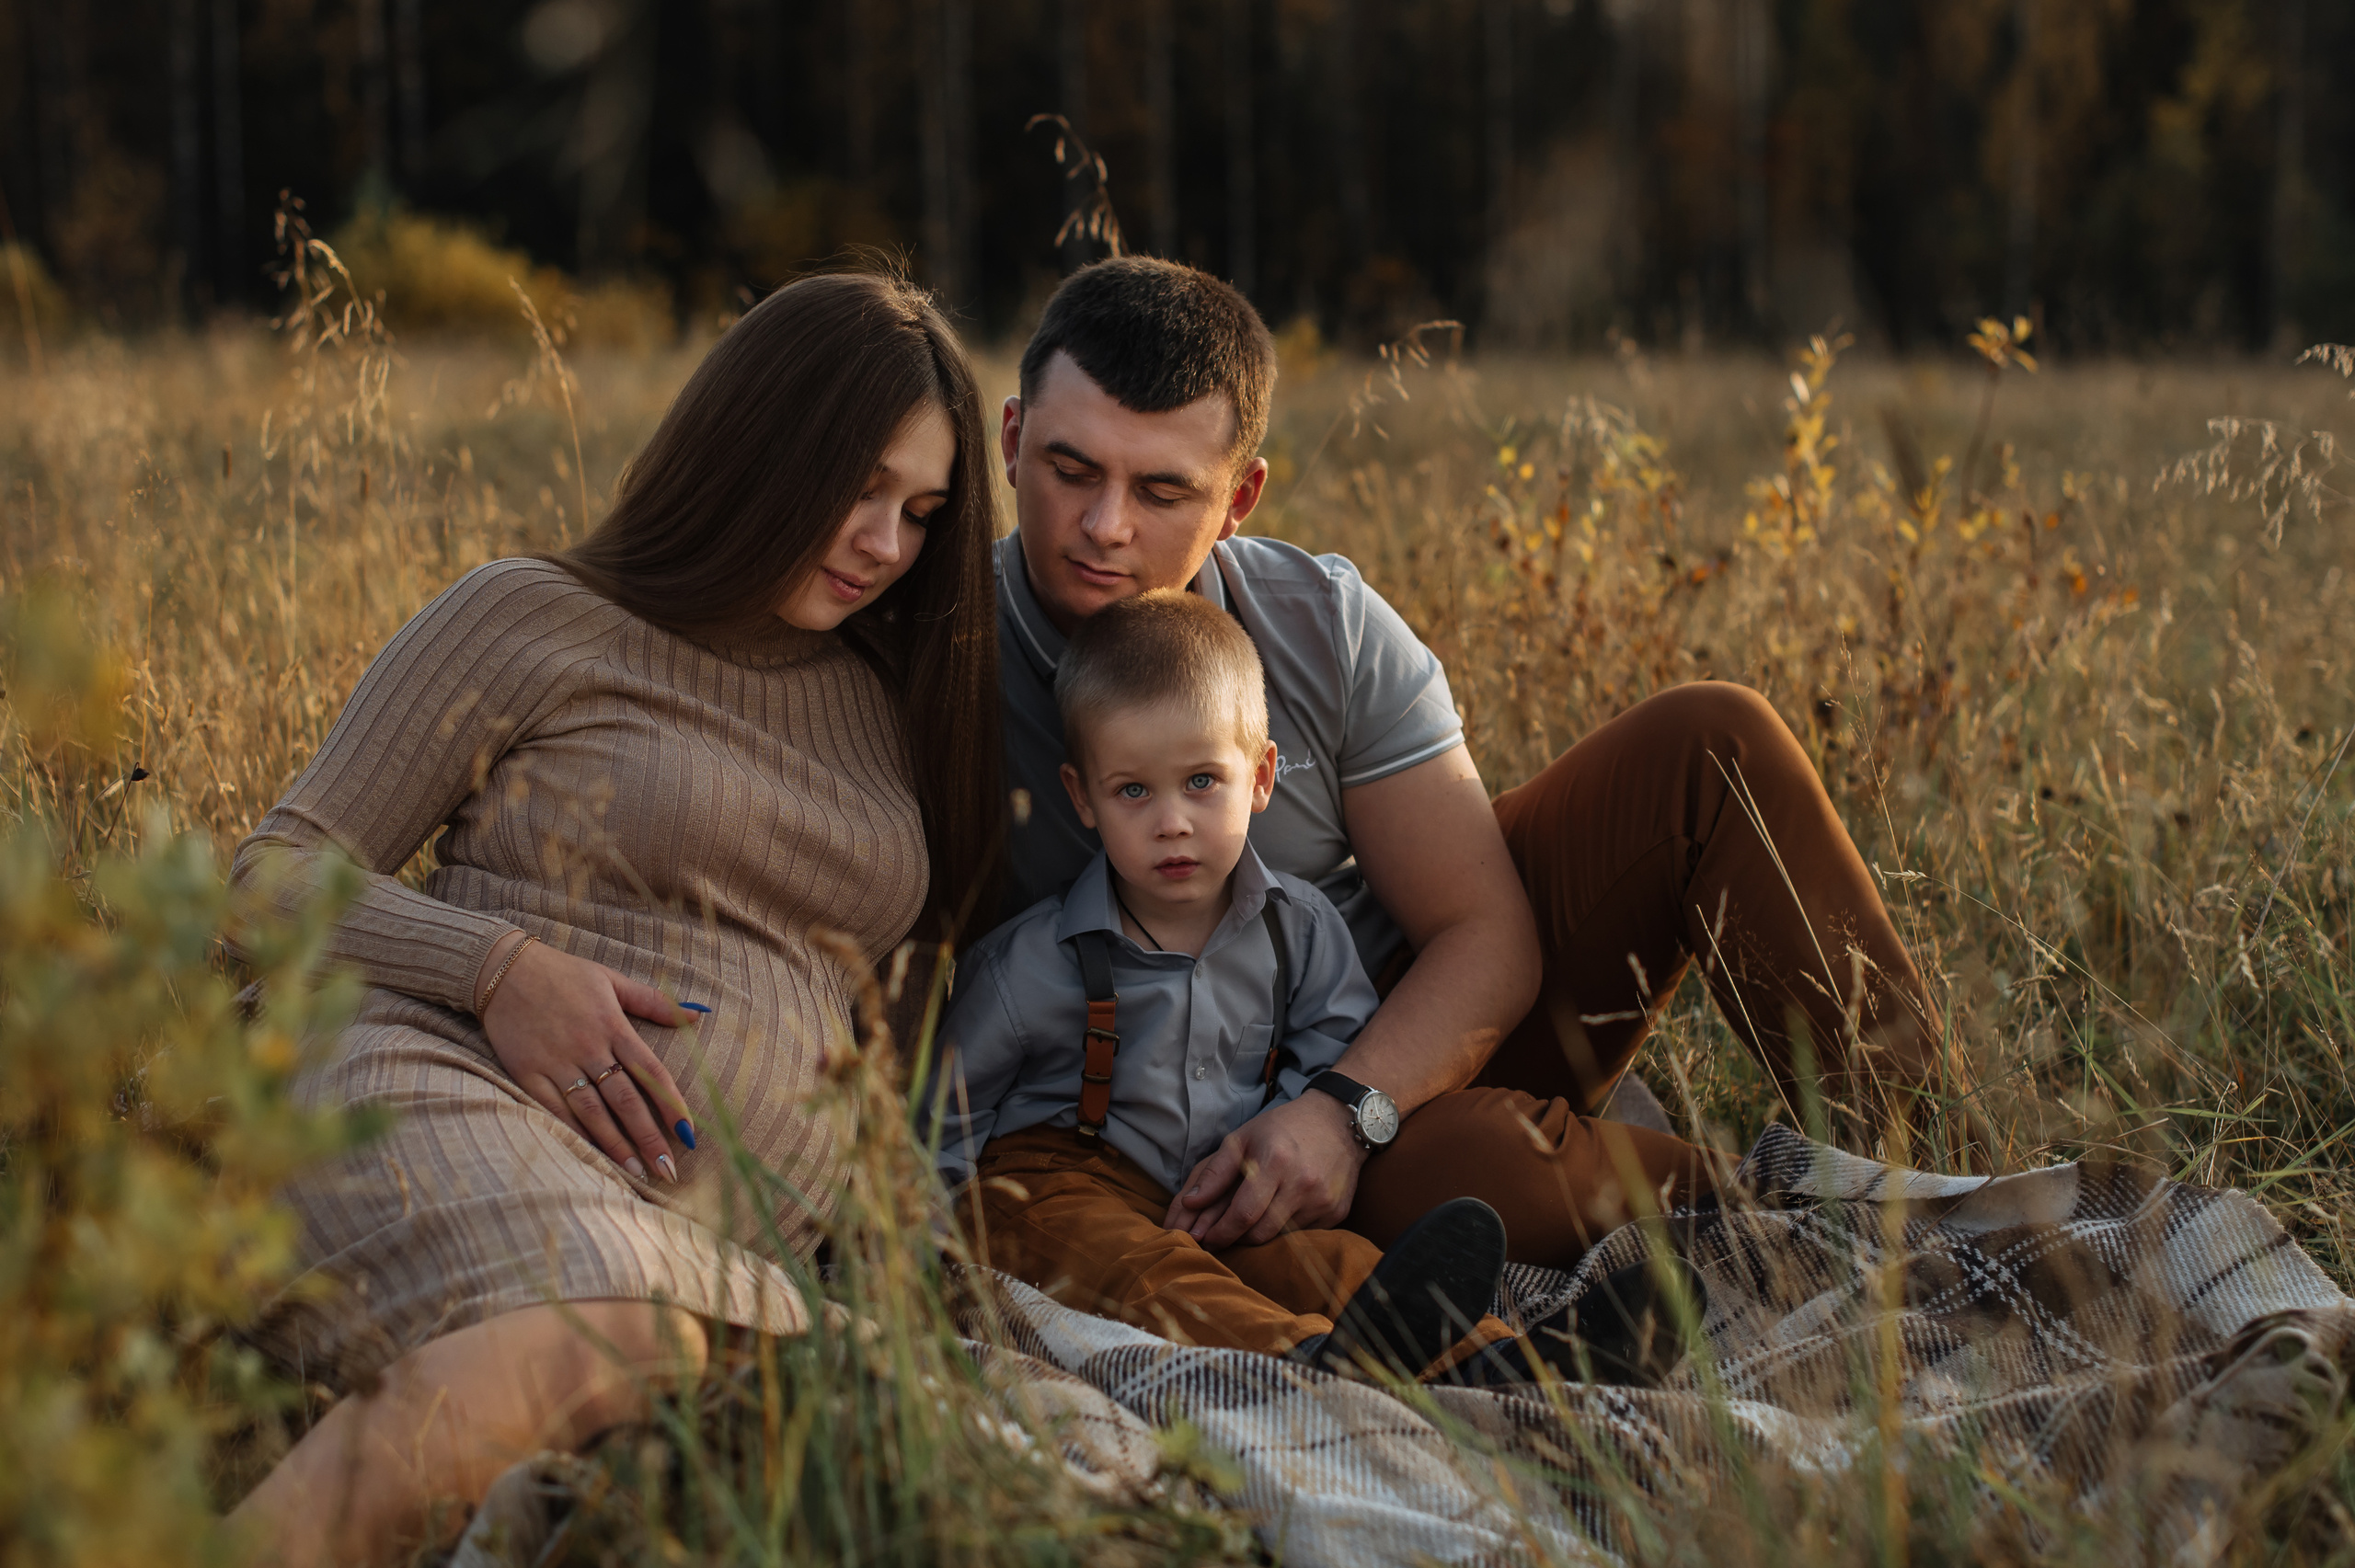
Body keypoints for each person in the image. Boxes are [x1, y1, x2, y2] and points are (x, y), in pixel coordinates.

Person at [225, 271, 1003, 1567]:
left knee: (750, 1396)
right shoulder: (534, 616)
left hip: (702, 1242)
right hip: (430, 1085)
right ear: (757, 447)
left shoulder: (885, 698)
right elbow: (267, 881)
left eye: (922, 514)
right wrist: (499, 970)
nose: (885, 544)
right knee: (628, 1333)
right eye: (860, 488)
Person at [991, 257, 1973, 1272]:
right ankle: (1830, 1227)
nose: (1106, 527)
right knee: (1458, 1177)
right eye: (1072, 471)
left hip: (1390, 1052)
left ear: (1238, 498)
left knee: (1710, 742)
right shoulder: (935, 665)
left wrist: (1342, 1112)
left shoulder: (1321, 624)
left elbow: (1486, 936)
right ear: (1012, 441)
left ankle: (1976, 1192)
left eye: (1161, 490)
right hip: (1182, 1131)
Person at [933, 589, 1507, 1379]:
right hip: (1062, 1179)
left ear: (1262, 776)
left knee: (1329, 1261)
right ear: (1082, 797)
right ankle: (1303, 1359)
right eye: (1133, 790)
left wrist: (1286, 1131)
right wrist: (919, 1248)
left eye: (1202, 781)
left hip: (1223, 1184)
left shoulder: (1296, 929)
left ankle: (1505, 1359)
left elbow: (1336, 1043)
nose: (1172, 821)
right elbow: (944, 1118)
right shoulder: (1029, 963)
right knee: (1132, 1267)